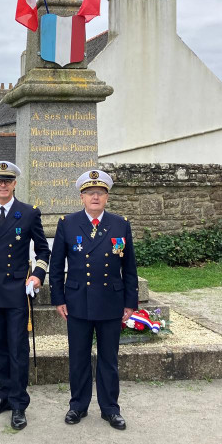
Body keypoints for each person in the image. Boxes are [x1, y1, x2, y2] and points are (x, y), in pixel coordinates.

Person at [49, 169, 139, 430]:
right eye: (90, 193)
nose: (95, 197)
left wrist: (130, 302)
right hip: (77, 300)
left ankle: (110, 408)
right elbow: (56, 267)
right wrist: (58, 299)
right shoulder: (68, 223)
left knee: (109, 359)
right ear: (82, 197)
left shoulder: (120, 224)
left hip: (111, 302)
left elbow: (129, 267)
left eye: (100, 193)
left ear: (107, 197)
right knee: (78, 357)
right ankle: (77, 405)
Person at [0, 161, 50, 430]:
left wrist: (37, 276)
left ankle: (19, 403)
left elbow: (43, 251)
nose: (3, 185)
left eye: (7, 181)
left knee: (18, 350)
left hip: (17, 291)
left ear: (15, 183)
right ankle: (4, 395)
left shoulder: (29, 213)